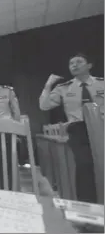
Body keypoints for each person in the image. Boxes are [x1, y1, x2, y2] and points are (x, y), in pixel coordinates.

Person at [39, 53, 104, 203]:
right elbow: (44, 105)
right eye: (71, 63)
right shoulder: (64, 88)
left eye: (79, 62)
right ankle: (88, 205)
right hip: (79, 129)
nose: (74, 65)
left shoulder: (102, 83)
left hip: (102, 126)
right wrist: (48, 85)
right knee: (84, 165)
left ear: (89, 65)